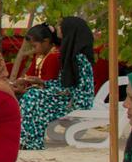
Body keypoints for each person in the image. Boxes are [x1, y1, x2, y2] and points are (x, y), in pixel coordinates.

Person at [19, 16, 95, 150]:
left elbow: (78, 89)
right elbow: (64, 84)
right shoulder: (70, 55)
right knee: (33, 94)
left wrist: (48, 87)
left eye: (61, 25)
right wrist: (43, 83)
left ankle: (32, 142)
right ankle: (27, 140)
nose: (58, 28)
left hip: (76, 100)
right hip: (68, 96)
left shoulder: (79, 58)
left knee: (33, 97)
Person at [13, 22, 60, 94]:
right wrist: (22, 80)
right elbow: (30, 74)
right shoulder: (39, 55)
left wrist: (24, 91)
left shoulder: (54, 56)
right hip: (37, 92)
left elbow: (49, 84)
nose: (34, 49)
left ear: (46, 42)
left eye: (34, 46)